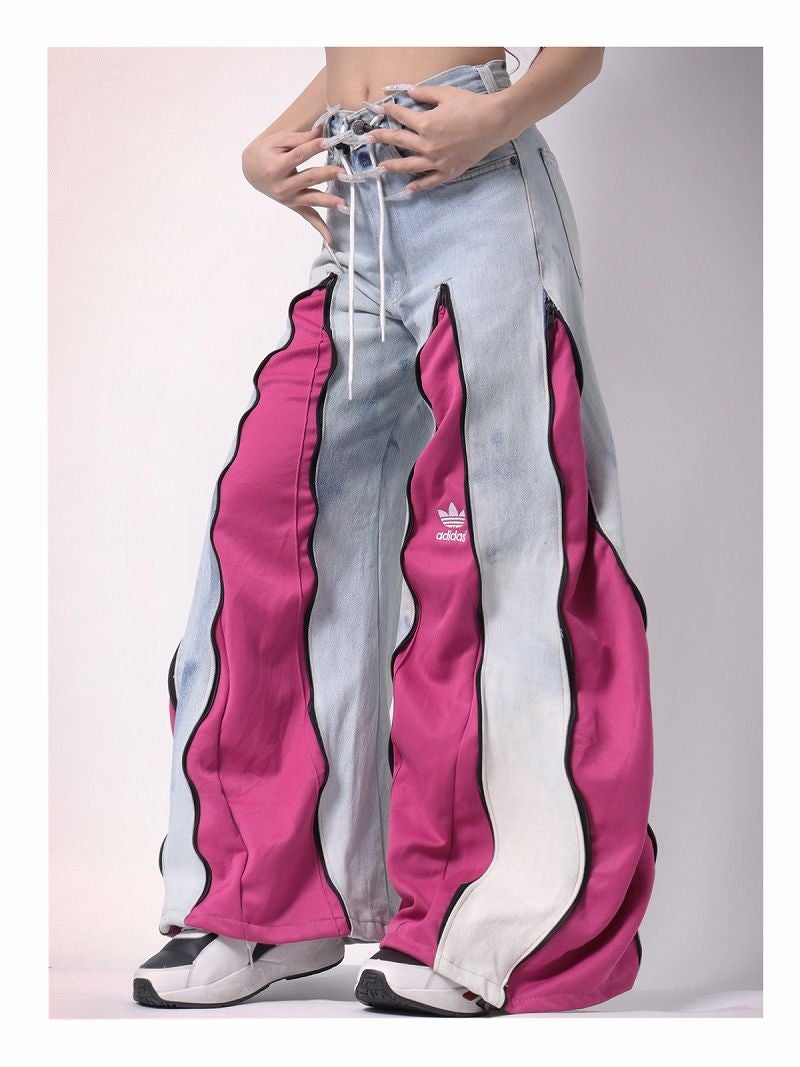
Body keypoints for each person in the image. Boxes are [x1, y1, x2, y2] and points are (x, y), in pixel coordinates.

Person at [132, 45, 658, 1017]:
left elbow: (581, 41)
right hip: (360, 214)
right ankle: (267, 899)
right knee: (268, 526)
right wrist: (280, 138)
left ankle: (489, 926)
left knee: (506, 552)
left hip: (478, 191)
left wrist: (498, 116)